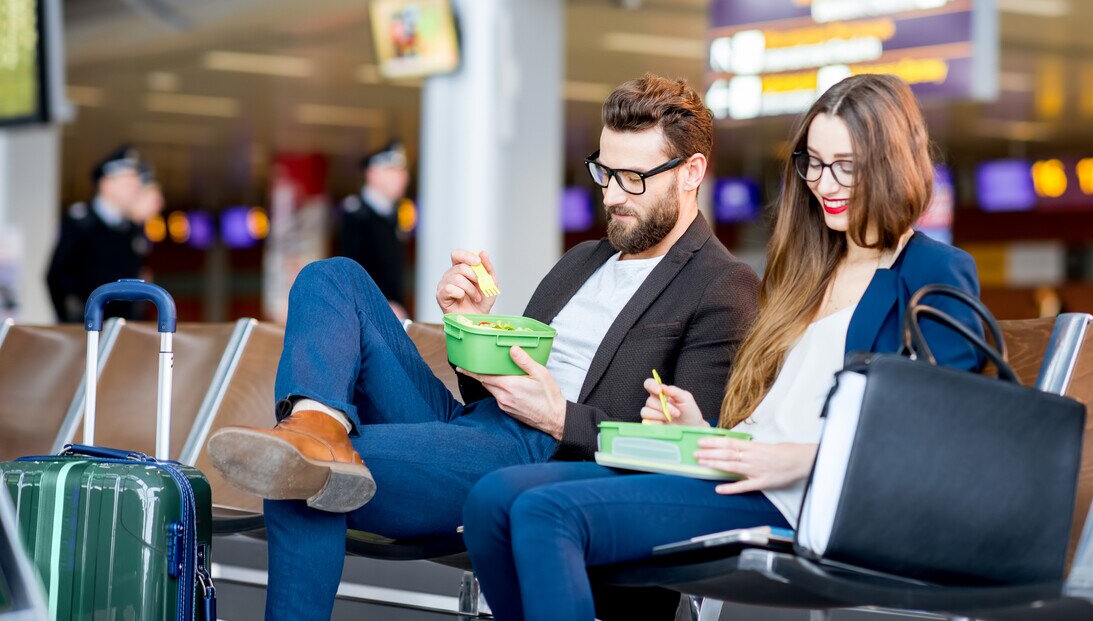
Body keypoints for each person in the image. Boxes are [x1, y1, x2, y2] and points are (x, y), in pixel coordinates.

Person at [205, 75, 760, 621]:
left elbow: (685, 451)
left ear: (691, 172)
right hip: (481, 427)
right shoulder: (583, 260)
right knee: (332, 277)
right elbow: (494, 393)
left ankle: (315, 442)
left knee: (300, 473)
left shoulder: (721, 284)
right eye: (604, 172)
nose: (612, 194)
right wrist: (471, 332)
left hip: (547, 457)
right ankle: (317, 422)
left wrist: (561, 418)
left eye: (633, 178)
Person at [460, 74, 985, 621]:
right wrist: (699, 431)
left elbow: (933, 442)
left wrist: (797, 459)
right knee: (493, 500)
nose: (824, 183)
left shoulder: (932, 271)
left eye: (846, 166)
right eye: (813, 162)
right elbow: (774, 416)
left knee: (546, 512)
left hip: (800, 497)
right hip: (734, 469)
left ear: (893, 162)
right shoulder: (808, 272)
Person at [45, 145, 147, 322]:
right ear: (107, 184)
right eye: (129, 181)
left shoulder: (131, 228)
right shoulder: (80, 223)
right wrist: (70, 321)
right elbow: (56, 277)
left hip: (120, 328)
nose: (136, 187)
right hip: (86, 329)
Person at [340, 140, 410, 320]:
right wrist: (383, 304)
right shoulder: (357, 215)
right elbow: (352, 273)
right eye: (391, 170)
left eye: (402, 171)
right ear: (372, 174)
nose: (402, 177)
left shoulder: (392, 215)